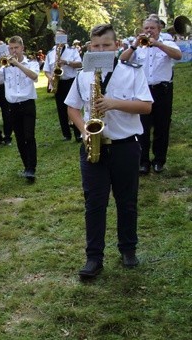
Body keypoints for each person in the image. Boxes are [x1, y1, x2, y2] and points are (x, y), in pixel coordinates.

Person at [65, 23, 153, 278]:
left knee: (127, 202)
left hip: (125, 145)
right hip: (94, 146)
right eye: (96, 46)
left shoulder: (132, 71)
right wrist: (84, 130)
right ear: (90, 47)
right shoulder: (83, 74)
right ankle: (94, 257)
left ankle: (128, 249)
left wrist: (114, 103)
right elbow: (72, 107)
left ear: (116, 46)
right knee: (94, 204)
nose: (101, 49)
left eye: (106, 45)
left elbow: (146, 106)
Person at [119, 15, 182, 174]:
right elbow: (122, 60)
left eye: (152, 28)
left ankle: (159, 160)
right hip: (143, 91)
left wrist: (158, 44)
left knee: (162, 126)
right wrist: (134, 45)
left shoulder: (167, 43)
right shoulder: (138, 46)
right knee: (143, 127)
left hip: (163, 90)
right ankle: (143, 161)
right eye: (146, 28)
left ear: (159, 29)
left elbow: (178, 56)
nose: (148, 31)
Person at [0, 36, 40, 182]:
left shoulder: (31, 63)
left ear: (22, 48)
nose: (13, 51)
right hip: (12, 106)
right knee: (19, 138)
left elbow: (34, 76)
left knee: (29, 136)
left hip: (28, 104)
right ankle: (26, 167)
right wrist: (0, 64)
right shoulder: (5, 68)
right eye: (11, 48)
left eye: (16, 48)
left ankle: (32, 168)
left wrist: (17, 64)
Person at [43, 32, 83, 141]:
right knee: (61, 108)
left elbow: (80, 64)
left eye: (62, 36)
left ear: (66, 38)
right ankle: (66, 134)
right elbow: (46, 70)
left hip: (70, 81)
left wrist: (66, 62)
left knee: (74, 107)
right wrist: (50, 78)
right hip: (57, 81)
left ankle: (78, 133)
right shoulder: (50, 53)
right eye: (57, 37)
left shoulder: (72, 50)